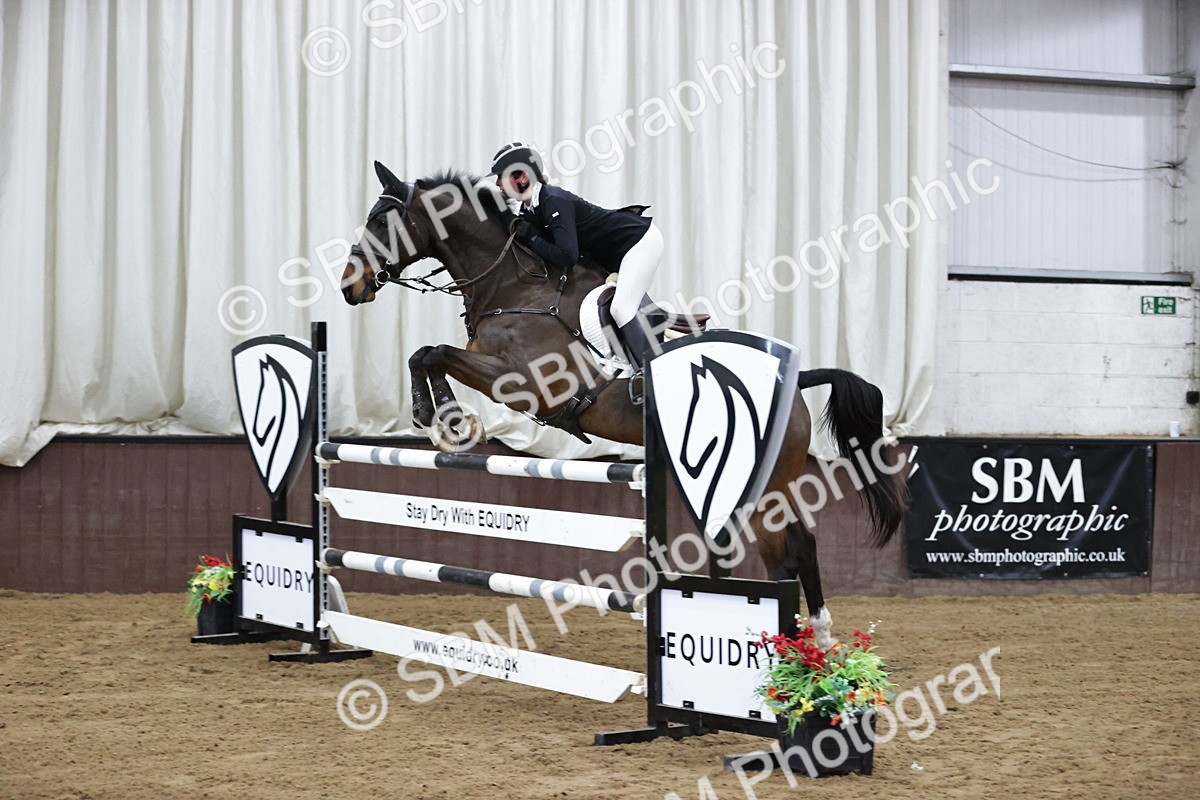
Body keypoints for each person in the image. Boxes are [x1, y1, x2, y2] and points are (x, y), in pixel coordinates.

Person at [489, 141, 664, 367]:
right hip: (617, 253)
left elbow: (566, 255)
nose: (497, 183)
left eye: (501, 176)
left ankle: (650, 372)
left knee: (621, 308)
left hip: (639, 242)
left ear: (521, 177)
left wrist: (531, 237)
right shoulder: (529, 209)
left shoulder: (553, 199)